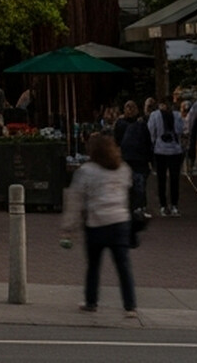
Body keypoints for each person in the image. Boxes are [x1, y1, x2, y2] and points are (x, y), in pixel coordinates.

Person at [62, 131, 137, 316]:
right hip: (120, 221)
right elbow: (128, 191)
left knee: (94, 265)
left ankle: (91, 301)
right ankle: (130, 306)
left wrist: (69, 227)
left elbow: (76, 199)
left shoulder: (87, 171)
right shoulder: (123, 169)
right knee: (123, 266)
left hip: (96, 223)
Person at [148, 95, 185, 216]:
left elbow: (151, 131)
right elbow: (180, 130)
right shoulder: (177, 115)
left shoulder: (154, 115)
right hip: (175, 149)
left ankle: (163, 206)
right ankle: (174, 205)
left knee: (161, 179)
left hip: (160, 150)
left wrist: (155, 142)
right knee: (174, 179)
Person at [117, 100, 153, 219]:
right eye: (128, 107)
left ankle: (132, 207)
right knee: (139, 183)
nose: (130, 110)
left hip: (128, 157)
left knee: (131, 183)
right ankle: (138, 207)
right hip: (137, 157)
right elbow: (147, 141)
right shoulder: (141, 123)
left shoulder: (121, 123)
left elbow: (116, 140)